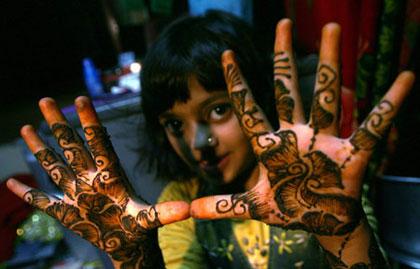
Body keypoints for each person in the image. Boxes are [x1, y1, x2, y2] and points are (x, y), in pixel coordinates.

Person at [6, 10, 415, 269]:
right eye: (174, 124)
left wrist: (342, 234)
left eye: (219, 110)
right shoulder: (179, 198)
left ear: (260, 99)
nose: (197, 142)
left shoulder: (318, 178)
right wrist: (133, 257)